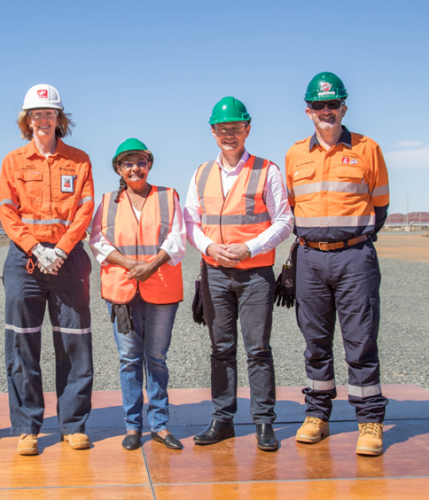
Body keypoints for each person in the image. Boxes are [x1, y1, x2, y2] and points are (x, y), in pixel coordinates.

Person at [286, 72, 390, 456]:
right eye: (318, 106)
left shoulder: (368, 148)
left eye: (332, 104)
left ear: (344, 107)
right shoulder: (295, 154)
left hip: (354, 258)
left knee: (360, 341)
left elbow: (380, 207)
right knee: (315, 342)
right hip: (310, 258)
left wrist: (350, 240)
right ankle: (317, 414)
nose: (325, 111)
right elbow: (293, 207)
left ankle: (370, 421)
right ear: (308, 111)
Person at [184, 97, 293, 450]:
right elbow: (190, 220)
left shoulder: (267, 170)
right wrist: (209, 248)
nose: (229, 134)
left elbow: (284, 220)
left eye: (235, 127)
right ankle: (223, 420)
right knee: (221, 349)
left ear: (247, 129)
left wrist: (251, 248)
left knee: (258, 349)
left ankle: (264, 422)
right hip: (215, 272)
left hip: (255, 274)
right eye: (222, 128)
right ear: (213, 132)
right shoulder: (201, 173)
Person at [0, 84, 95, 456]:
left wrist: (61, 250)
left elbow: (84, 211)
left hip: (68, 260)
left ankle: (73, 425)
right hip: (25, 261)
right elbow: (8, 211)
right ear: (27, 119)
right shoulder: (13, 161)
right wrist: (37, 248)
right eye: (37, 114)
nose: (43, 119)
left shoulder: (79, 160)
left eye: (49, 113)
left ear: (59, 118)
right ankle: (27, 428)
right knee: (22, 342)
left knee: (74, 340)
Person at [89, 139, 186, 451]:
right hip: (122, 291)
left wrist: (151, 264)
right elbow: (98, 241)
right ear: (119, 168)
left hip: (161, 287)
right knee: (129, 359)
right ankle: (133, 426)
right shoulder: (107, 202)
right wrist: (130, 264)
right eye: (127, 163)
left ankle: (160, 424)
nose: (135, 168)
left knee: (157, 358)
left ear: (149, 164)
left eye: (141, 162)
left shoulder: (168, 197)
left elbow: (177, 239)